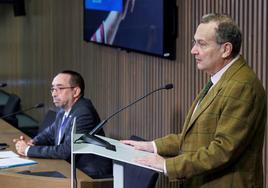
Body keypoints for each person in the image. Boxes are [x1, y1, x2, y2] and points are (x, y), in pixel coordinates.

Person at [122, 13, 267, 188]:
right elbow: (195, 137)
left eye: (202, 44)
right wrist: (152, 146)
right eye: (194, 42)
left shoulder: (242, 86)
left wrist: (167, 165)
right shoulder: (221, 78)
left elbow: (222, 151)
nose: (193, 50)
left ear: (226, 49)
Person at [13, 70, 112, 178]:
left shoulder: (84, 113)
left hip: (87, 173)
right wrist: (33, 142)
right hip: (69, 167)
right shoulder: (63, 110)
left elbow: (66, 151)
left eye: (60, 88)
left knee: (29, 178)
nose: (54, 94)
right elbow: (49, 133)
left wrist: (28, 150)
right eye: (53, 89)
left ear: (76, 91)